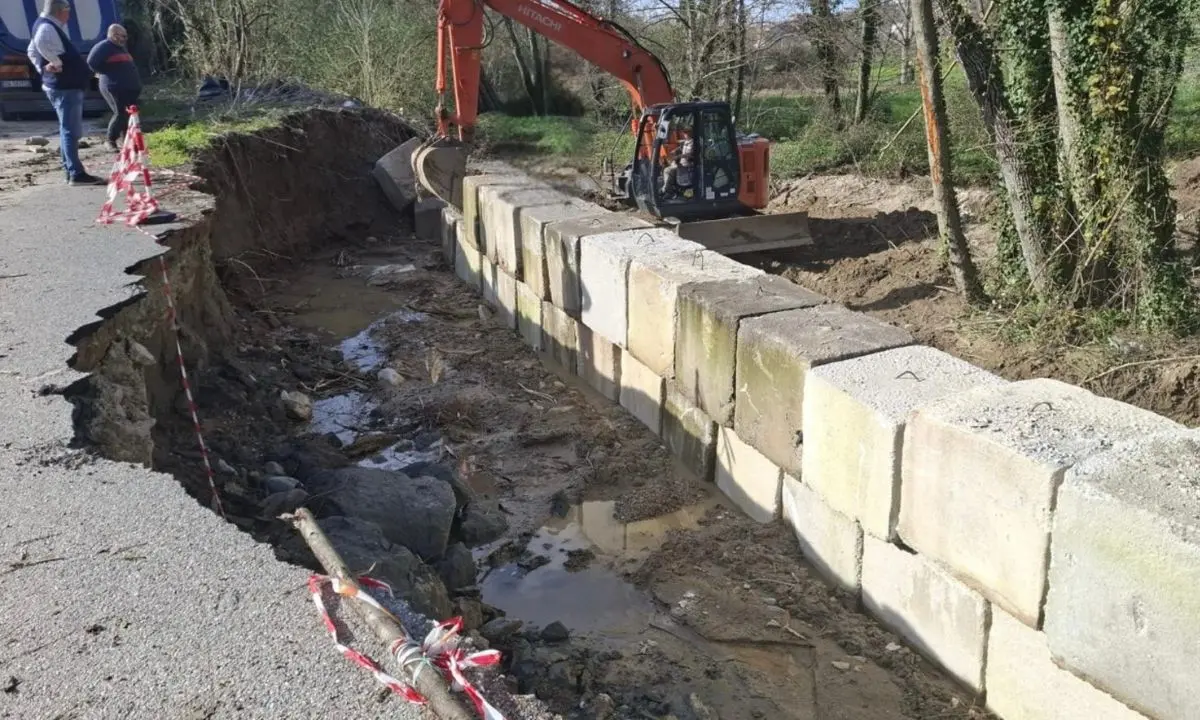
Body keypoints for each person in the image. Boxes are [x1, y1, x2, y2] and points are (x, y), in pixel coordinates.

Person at [27, 0, 104, 186]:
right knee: (71, 131)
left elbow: (31, 50)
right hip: (65, 87)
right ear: (61, 11)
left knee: (66, 129)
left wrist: (43, 66)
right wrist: (54, 63)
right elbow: (39, 45)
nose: (69, 16)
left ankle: (70, 170)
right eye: (68, 12)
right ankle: (75, 174)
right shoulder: (47, 28)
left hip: (63, 86)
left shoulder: (46, 25)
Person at [87, 23, 142, 152]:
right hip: (114, 86)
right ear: (114, 35)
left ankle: (128, 141)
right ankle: (110, 140)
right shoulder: (103, 47)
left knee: (128, 115)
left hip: (128, 87)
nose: (125, 39)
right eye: (123, 36)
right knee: (120, 113)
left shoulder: (120, 48)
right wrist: (104, 73)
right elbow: (91, 62)